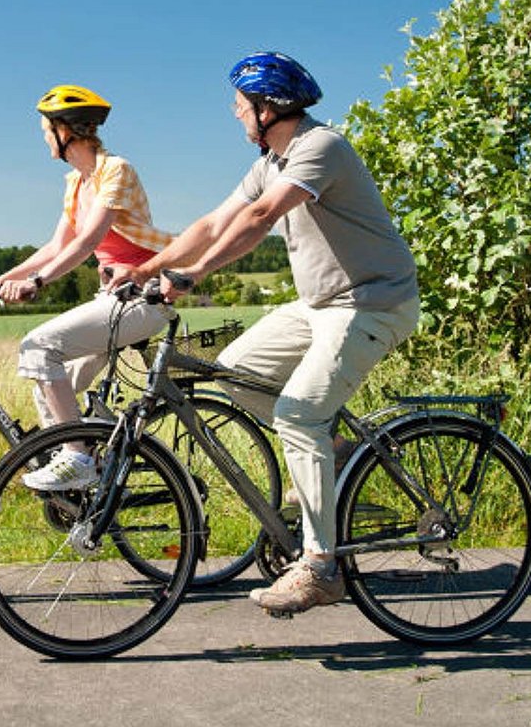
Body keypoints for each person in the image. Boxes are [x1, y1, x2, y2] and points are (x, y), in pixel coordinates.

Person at [106, 52, 420, 617]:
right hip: (319, 305)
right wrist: (147, 268)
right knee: (235, 370)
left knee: (299, 415)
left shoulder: (320, 147)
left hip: (372, 303)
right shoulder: (270, 163)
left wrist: (194, 275)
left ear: (268, 108)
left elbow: (259, 218)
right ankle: (338, 454)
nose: (234, 113)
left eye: (239, 104)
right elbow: (212, 223)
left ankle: (321, 569)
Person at [0, 84, 176, 491]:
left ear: (64, 131)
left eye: (46, 130)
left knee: (39, 348)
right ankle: (92, 480)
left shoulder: (115, 170)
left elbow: (87, 241)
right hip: (112, 298)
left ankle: (78, 458)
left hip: (143, 296)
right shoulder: (76, 183)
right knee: (50, 388)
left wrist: (38, 282)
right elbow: (56, 246)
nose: (44, 138)